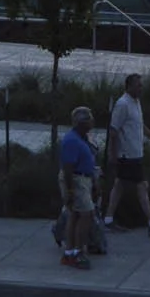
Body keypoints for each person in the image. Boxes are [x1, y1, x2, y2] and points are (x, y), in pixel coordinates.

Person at [103, 73, 150, 238]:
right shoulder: (122, 104)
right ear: (129, 86)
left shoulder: (136, 102)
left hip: (136, 152)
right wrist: (113, 154)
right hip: (127, 154)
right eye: (138, 85)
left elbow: (139, 124)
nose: (141, 88)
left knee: (119, 185)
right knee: (141, 185)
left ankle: (108, 218)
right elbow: (113, 131)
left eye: (141, 85)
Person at [58, 105, 99, 270]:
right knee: (85, 214)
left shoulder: (82, 138)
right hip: (77, 179)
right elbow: (68, 167)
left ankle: (70, 253)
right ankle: (77, 251)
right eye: (89, 118)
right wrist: (70, 191)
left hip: (84, 179)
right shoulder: (72, 141)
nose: (92, 121)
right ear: (81, 122)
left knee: (75, 215)